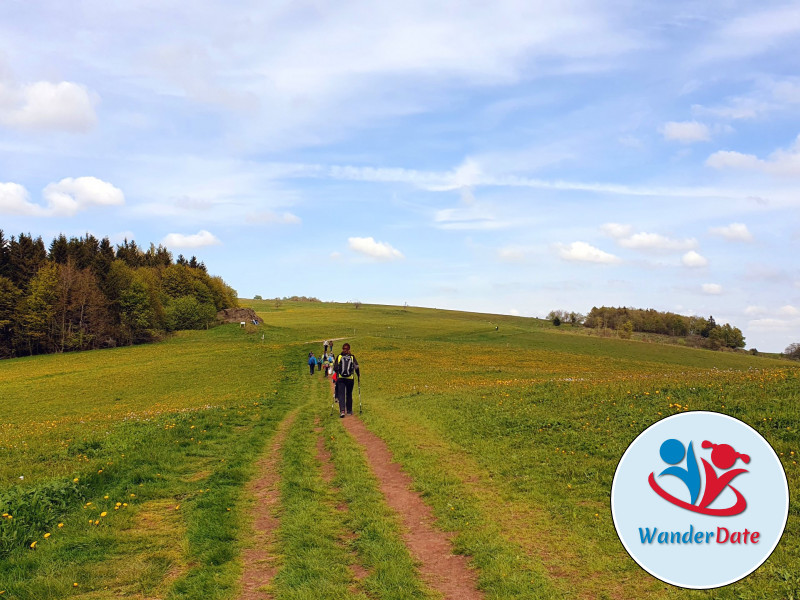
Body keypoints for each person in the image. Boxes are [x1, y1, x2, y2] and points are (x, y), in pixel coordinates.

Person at [334, 343, 360, 417]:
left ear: (343, 349)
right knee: (349, 394)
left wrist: (338, 373)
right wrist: (358, 376)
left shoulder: (339, 356)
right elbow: (357, 367)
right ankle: (349, 410)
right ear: (349, 349)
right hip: (350, 379)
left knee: (341, 394)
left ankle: (342, 411)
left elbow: (335, 367)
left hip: (341, 378)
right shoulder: (352, 357)